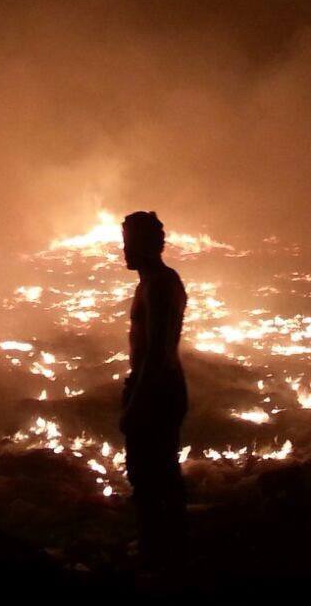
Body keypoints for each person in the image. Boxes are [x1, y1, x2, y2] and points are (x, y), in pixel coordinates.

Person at [119, 210, 189, 565]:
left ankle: (161, 554)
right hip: (155, 388)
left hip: (158, 392)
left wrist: (137, 401)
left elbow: (159, 351)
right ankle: (161, 546)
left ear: (148, 245)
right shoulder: (152, 283)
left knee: (152, 475)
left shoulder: (160, 285)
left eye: (130, 244)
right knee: (152, 471)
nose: (124, 252)